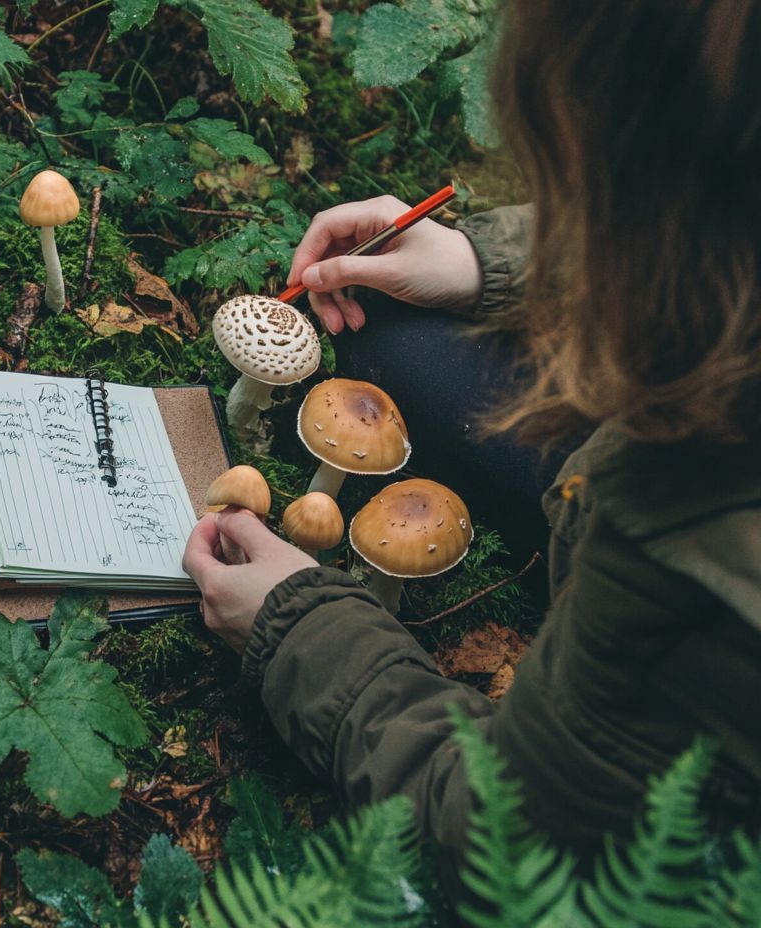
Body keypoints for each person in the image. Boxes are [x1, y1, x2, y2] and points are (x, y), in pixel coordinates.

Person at [182, 0, 761, 863]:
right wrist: (478, 264)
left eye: (574, 171)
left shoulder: (688, 541)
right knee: (375, 323)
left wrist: (295, 626)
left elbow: (502, 840)